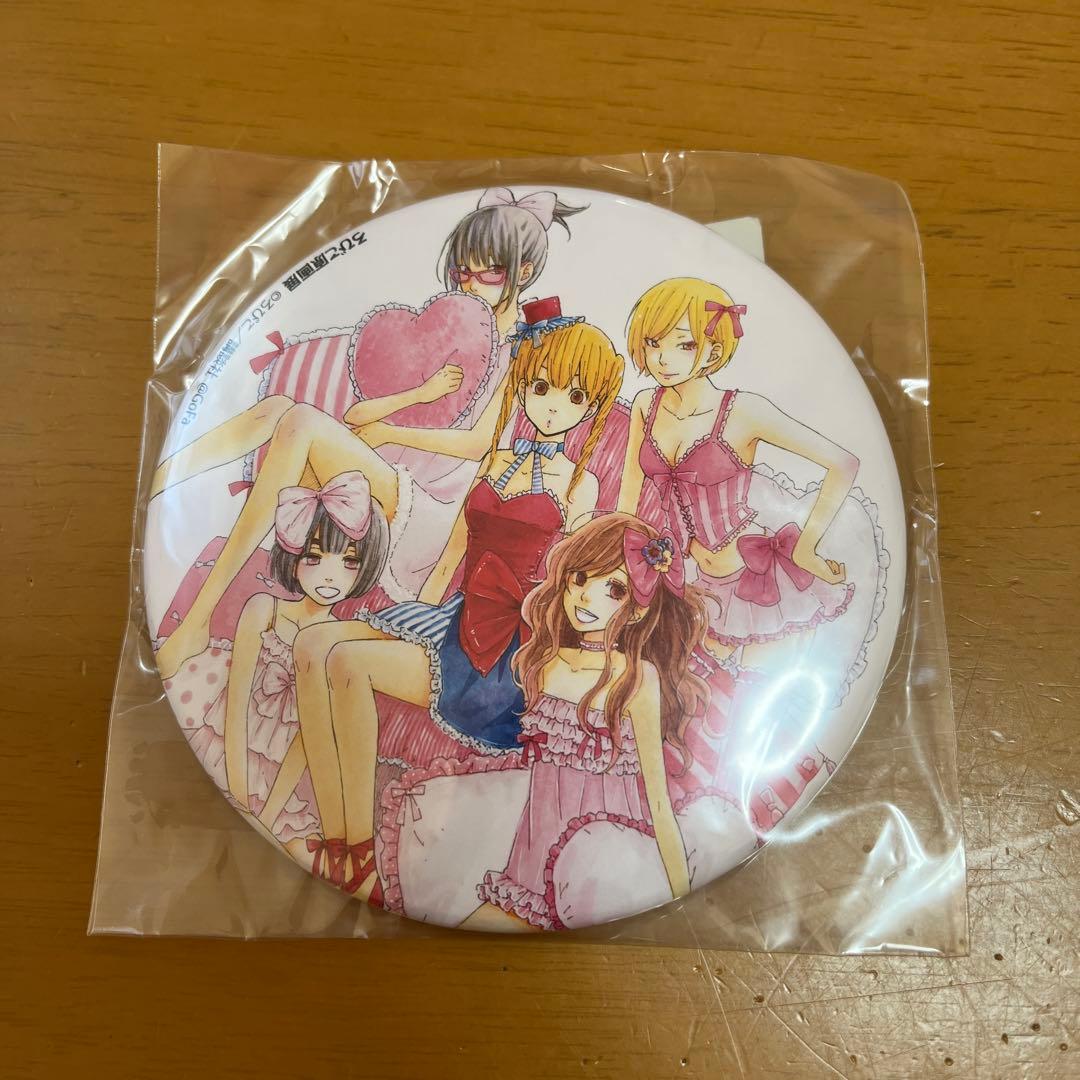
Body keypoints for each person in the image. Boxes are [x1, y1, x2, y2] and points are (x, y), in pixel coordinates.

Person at [152, 190, 588, 681]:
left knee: (300, 422)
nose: (468, 284)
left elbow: (477, 445)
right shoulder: (448, 330)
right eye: (462, 271)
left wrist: (387, 431)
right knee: (277, 410)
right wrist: (410, 402)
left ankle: (197, 622)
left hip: (435, 512)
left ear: (522, 272)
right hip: (395, 477)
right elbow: (375, 412)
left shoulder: (524, 348)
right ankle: (163, 481)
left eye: (486, 273)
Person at [285, 302, 624, 901]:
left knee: (348, 661)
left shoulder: (580, 484)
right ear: (522, 386)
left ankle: (361, 850)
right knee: (313, 645)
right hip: (457, 618)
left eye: (573, 396)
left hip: (506, 652)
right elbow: (456, 553)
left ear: (591, 407)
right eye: (540, 387)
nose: (552, 406)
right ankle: (339, 841)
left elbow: (575, 586)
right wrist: (415, 609)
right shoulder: (495, 460)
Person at [461, 513, 709, 932]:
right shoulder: (545, 663)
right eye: (579, 578)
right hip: (533, 859)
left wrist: (683, 897)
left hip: (605, 859)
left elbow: (658, 800)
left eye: (613, 589)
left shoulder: (636, 677)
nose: (585, 597)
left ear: (637, 611)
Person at [165, 472, 388, 851]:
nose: (330, 576)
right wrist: (237, 788)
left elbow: (306, 746)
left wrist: (269, 811)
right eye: (314, 557)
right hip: (222, 754)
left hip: (281, 786)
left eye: (350, 562)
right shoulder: (264, 611)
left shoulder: (338, 649)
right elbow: (234, 707)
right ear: (293, 555)